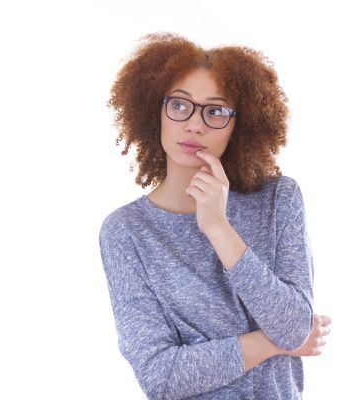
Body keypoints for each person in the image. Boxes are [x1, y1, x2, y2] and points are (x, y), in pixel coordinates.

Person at [99, 32, 332, 400]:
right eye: (179, 105)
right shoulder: (127, 232)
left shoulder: (278, 200)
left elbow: (295, 328)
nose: (194, 124)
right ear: (154, 111)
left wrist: (219, 228)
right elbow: (161, 377)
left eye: (216, 111)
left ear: (240, 124)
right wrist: (270, 343)